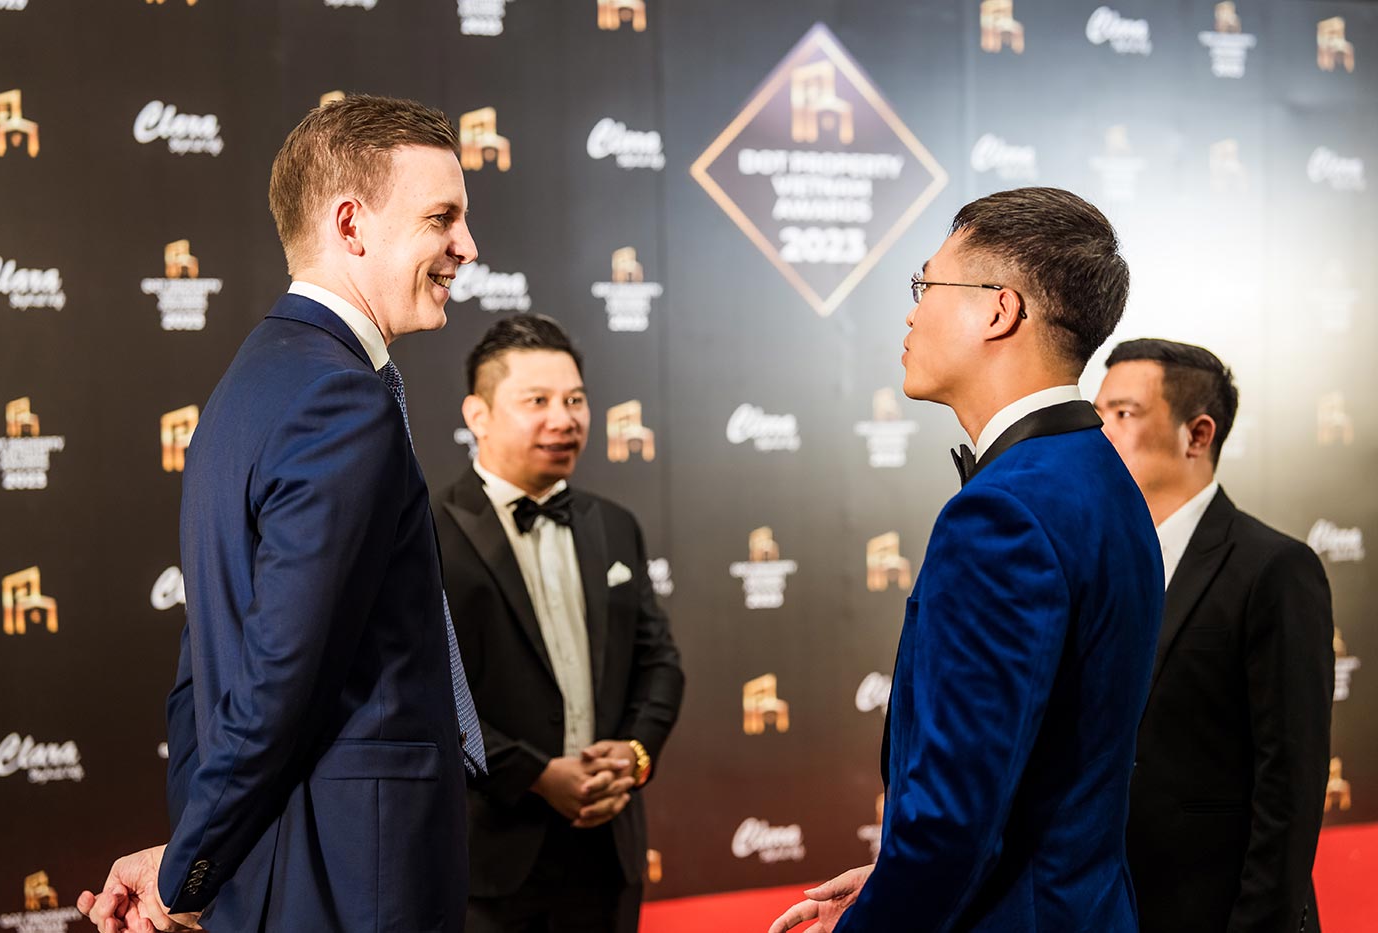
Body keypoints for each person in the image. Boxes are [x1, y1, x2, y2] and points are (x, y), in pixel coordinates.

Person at [77, 95, 483, 933]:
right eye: (443, 218)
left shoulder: (247, 385)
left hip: (275, 875)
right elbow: (279, 674)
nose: (467, 247)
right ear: (351, 224)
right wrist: (189, 872)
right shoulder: (343, 399)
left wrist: (196, 855)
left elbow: (206, 665)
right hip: (357, 885)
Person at [771, 187, 1163, 932]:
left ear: (999, 310)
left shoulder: (1005, 511)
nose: (911, 313)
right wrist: (892, 883)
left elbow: (952, 820)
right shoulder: (1099, 472)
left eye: (924, 285)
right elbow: (1026, 784)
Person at [435, 314, 684, 932]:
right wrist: (538, 776)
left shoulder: (615, 525)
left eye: (575, 400)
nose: (564, 419)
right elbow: (425, 691)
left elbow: (659, 662)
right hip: (486, 860)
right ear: (478, 415)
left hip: (607, 853)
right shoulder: (427, 533)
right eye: (537, 401)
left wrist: (634, 755)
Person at [1096, 338, 1334, 932]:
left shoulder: (1274, 568)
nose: (1099, 432)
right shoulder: (1096, 564)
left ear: (1197, 435)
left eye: (1123, 413)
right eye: (1096, 413)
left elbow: (1290, 787)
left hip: (1218, 913)